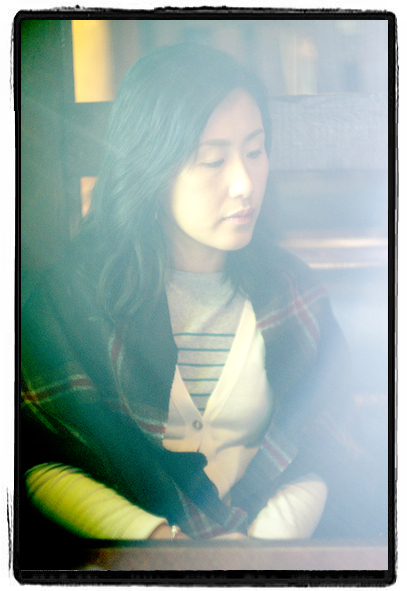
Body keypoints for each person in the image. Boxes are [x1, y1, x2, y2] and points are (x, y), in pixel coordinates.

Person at [20, 43, 362, 552]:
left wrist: (260, 550)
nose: (244, 183)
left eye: (255, 151)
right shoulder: (72, 300)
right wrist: (165, 544)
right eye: (212, 160)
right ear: (151, 167)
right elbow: (40, 460)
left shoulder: (294, 294)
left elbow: (323, 450)